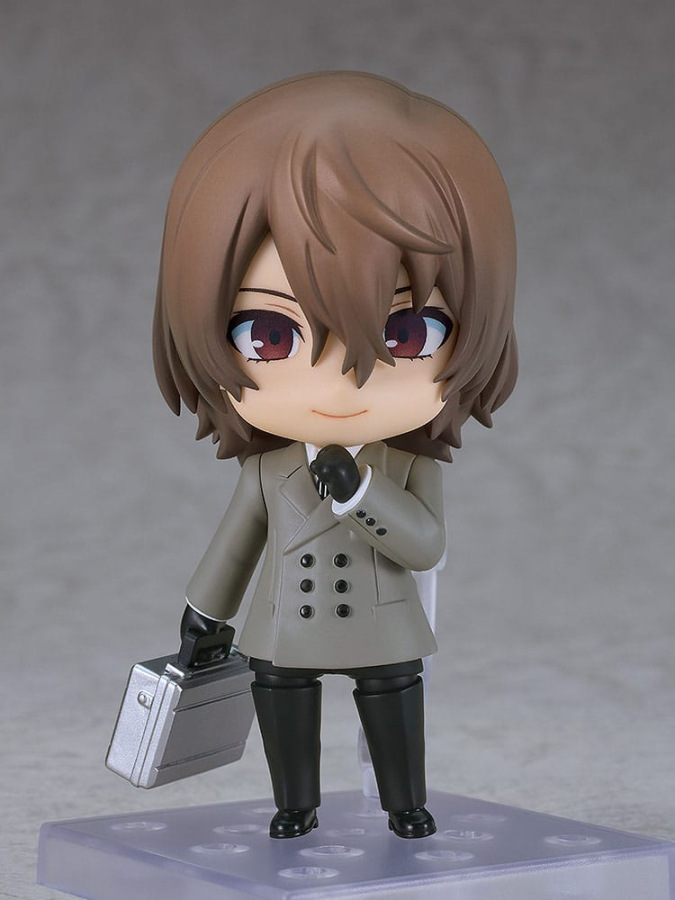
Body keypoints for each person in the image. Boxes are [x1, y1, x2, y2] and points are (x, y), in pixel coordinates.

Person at [152, 71, 517, 839]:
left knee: (392, 707)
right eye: (270, 336)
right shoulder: (268, 469)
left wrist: (358, 495)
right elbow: (235, 545)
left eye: (405, 334)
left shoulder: (407, 466)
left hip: (383, 627)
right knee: (284, 705)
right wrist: (203, 613)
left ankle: (404, 804)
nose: (340, 383)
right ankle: (296, 805)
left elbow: (425, 545)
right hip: (284, 624)